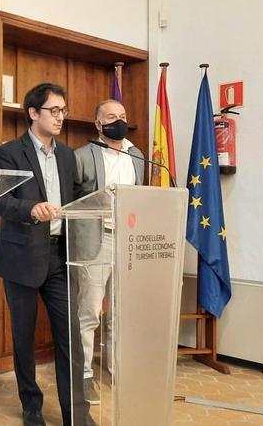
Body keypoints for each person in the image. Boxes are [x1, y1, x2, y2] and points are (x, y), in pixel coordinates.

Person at [0, 83, 90, 426]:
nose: (60, 117)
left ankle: (76, 413)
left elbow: (76, 198)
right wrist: (31, 209)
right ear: (33, 113)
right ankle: (31, 405)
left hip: (59, 257)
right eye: (54, 110)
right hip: (21, 257)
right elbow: (0, 200)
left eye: (63, 110)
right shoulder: (9, 152)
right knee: (23, 337)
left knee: (70, 338)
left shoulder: (67, 156)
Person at [73, 99, 144, 404]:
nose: (119, 122)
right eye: (112, 117)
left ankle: (119, 370)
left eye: (123, 116)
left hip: (128, 240)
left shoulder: (137, 155)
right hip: (95, 239)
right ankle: (84, 375)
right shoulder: (82, 156)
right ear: (98, 124)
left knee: (120, 312)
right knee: (89, 312)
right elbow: (71, 200)